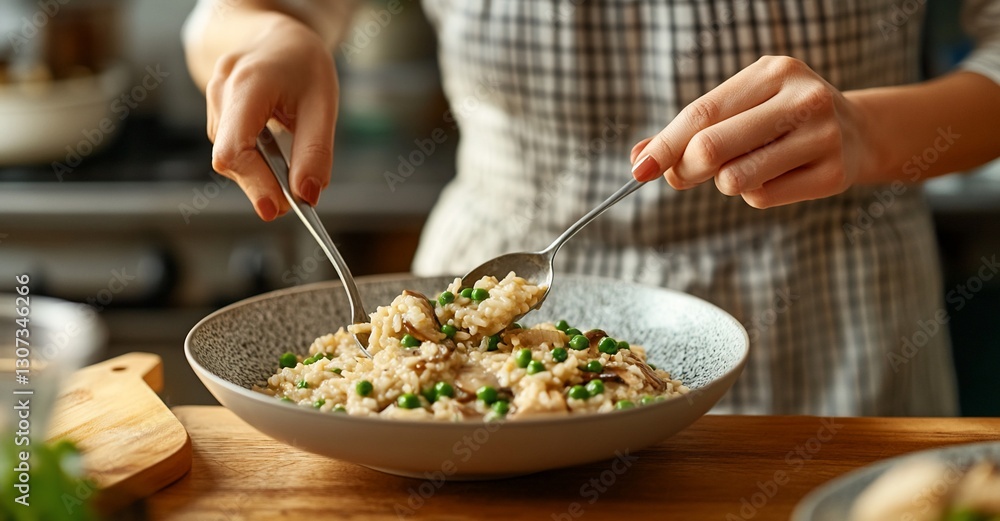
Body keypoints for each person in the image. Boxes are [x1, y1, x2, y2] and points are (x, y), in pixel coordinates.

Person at [183, 0, 1000, 416]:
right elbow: (224, 17)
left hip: (831, 320)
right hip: (477, 280)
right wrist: (265, 36)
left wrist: (868, 132)